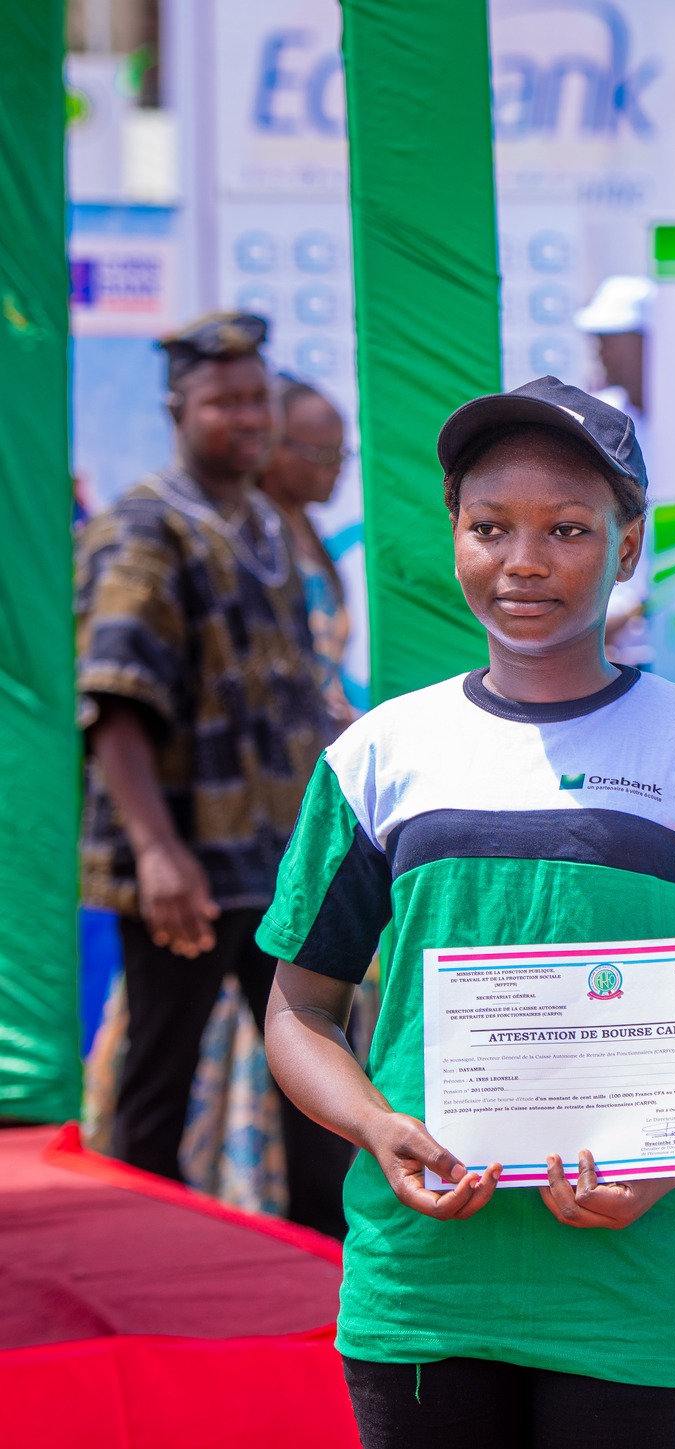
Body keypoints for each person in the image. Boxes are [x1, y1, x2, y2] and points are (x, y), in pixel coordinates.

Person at [257, 376, 675, 1449]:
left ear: (628, 550)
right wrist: (375, 1127)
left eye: (568, 530)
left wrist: (673, 1155)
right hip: (425, 1288)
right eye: (490, 528)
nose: (523, 562)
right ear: (454, 539)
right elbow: (299, 1011)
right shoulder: (380, 756)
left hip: (643, 1296)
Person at [75, 312, 351, 1237]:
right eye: (221, 401)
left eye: (254, 398)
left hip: (271, 865)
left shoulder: (265, 526)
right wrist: (157, 854)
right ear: (176, 409)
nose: (246, 418)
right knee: (160, 1069)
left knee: (309, 1056)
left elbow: (280, 689)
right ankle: (130, 1260)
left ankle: (326, 1257)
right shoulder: (143, 529)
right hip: (191, 863)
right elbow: (113, 705)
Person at [258, 374, 355, 724]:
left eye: (342, 453)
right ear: (270, 448)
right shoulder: (250, 540)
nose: (338, 468)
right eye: (323, 454)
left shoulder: (309, 534)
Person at [576, 274, 659, 667]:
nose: (601, 351)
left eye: (612, 337)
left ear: (648, 341)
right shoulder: (599, 417)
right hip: (610, 649)